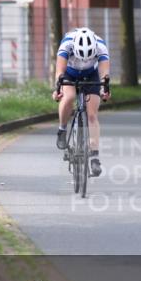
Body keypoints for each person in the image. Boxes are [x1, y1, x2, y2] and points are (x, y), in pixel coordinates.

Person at [53, 27, 111, 177]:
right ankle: (62, 129)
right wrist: (58, 88)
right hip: (70, 74)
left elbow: (105, 73)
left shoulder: (100, 45)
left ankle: (95, 157)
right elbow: (59, 71)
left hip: (91, 75)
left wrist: (105, 88)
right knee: (69, 97)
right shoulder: (66, 44)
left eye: (88, 57)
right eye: (81, 57)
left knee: (92, 115)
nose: (84, 60)